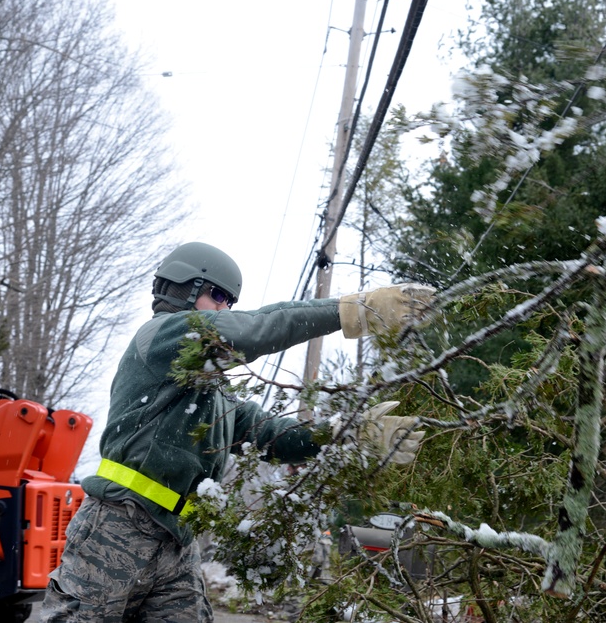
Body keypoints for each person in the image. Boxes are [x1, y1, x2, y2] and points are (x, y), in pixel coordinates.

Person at [41, 241, 434, 622]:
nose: (225, 308)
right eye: (218, 295)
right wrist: (350, 311)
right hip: (118, 522)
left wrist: (346, 433)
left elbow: (270, 434)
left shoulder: (212, 396)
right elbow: (252, 329)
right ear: (184, 287)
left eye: (230, 301)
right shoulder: (164, 335)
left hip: (176, 539)